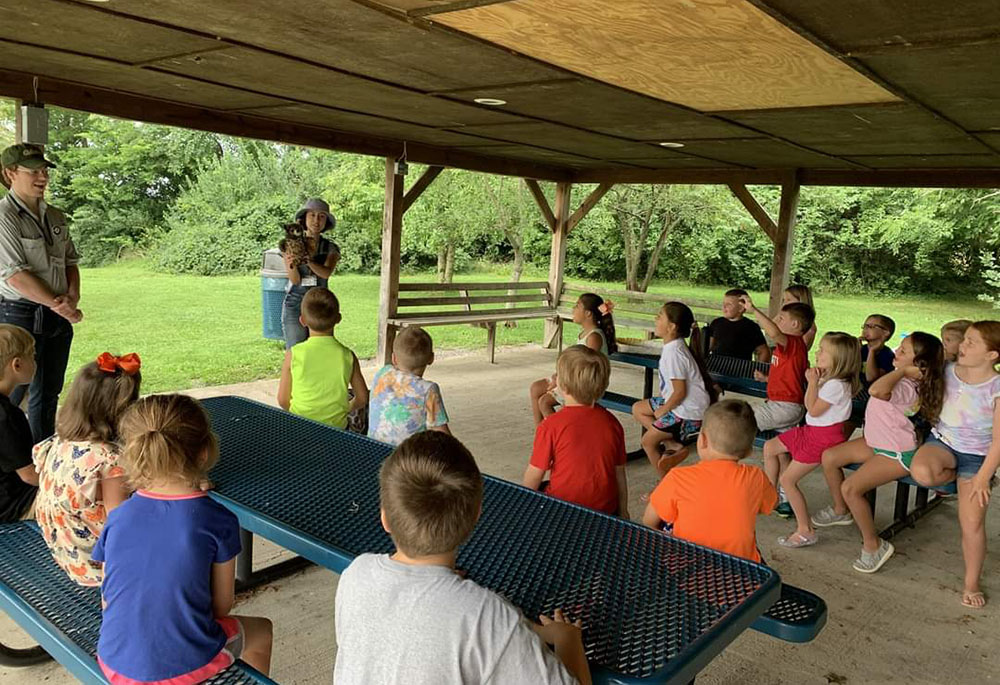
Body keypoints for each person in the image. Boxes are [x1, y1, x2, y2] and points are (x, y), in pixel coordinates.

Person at [334, 431, 590, 685]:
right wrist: (568, 639)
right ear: (475, 517)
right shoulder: (487, 616)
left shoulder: (356, 573)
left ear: (385, 519)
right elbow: (474, 624)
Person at [93, 394, 273, 681]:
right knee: (262, 630)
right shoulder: (218, 519)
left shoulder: (118, 517)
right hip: (184, 667)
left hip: (113, 660)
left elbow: (107, 598)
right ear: (204, 453)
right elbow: (220, 607)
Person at [816, 332, 944, 573]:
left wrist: (904, 372)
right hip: (876, 442)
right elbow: (875, 381)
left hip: (895, 452)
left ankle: (874, 545)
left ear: (919, 364)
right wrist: (901, 369)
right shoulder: (900, 380)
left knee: (851, 489)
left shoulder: (908, 385)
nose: (897, 351)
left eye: (904, 351)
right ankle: (840, 510)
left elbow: (876, 391)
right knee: (830, 457)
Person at [909, 320, 1000, 608]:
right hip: (944, 444)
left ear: (992, 355)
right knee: (921, 471)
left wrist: (984, 476)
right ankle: (953, 481)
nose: (963, 345)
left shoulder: (997, 387)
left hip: (978, 457)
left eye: (972, 342)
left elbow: (998, 441)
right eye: (965, 339)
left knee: (972, 523)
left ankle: (971, 582)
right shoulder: (946, 370)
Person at [32, 353, 141, 586]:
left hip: (66, 551)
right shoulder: (109, 461)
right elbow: (121, 521)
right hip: (99, 567)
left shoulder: (61, 441)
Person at [0, 143, 83, 442]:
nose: (42, 176)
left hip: (56, 314)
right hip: (19, 313)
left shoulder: (56, 216)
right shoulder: (4, 216)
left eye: (45, 170)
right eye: (33, 171)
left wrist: (72, 297)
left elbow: (71, 261)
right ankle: (10, 465)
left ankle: (41, 456)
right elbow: (15, 275)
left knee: (48, 392)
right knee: (12, 391)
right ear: (10, 174)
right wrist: (62, 306)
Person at [643, 399, 776, 562]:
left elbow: (648, 523)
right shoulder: (756, 477)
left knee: (668, 524)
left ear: (703, 440)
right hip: (742, 575)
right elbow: (771, 504)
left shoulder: (677, 477)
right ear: (749, 451)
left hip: (689, 575)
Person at [764, 332, 861, 548]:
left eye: (823, 350)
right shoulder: (828, 377)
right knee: (771, 448)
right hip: (811, 431)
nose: (817, 352)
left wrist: (812, 382)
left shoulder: (837, 384)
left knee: (788, 481)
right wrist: (815, 382)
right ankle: (770, 496)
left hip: (823, 438)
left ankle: (805, 530)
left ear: (839, 358)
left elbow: (813, 408)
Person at [523, 346, 628, 516]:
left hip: (563, 509)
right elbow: (619, 474)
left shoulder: (550, 425)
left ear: (562, 386)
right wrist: (623, 511)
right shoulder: (613, 424)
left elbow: (535, 474)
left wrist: (520, 507)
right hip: (605, 510)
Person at [631, 302, 715, 477]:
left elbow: (679, 392)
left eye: (660, 316)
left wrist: (663, 409)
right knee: (638, 408)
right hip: (681, 403)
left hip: (688, 411)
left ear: (672, 327)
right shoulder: (674, 346)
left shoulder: (674, 353)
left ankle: (665, 484)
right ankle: (671, 444)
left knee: (647, 442)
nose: (656, 319)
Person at [277, 288, 368, 430]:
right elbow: (362, 398)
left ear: (302, 320)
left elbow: (283, 400)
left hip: (299, 426)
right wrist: (347, 408)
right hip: (336, 429)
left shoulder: (293, 354)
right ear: (338, 319)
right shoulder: (347, 355)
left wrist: (299, 415)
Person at [529, 293, 616, 426]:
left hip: (586, 384)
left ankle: (561, 432)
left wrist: (560, 380)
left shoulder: (594, 337)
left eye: (577, 306)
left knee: (544, 402)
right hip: (574, 377)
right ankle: (541, 434)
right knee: (536, 388)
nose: (573, 309)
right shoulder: (584, 334)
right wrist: (558, 376)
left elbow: (587, 368)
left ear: (588, 313)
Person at [741, 295, 813, 441]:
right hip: (784, 405)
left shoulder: (792, 344)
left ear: (795, 324)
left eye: (781, 318)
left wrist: (753, 309)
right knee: (778, 447)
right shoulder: (792, 347)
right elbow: (791, 376)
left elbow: (774, 332)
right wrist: (767, 378)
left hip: (785, 407)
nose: (776, 321)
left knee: (740, 420)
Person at [368, 326, 450, 446]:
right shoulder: (428, 390)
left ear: (394, 358)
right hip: (404, 460)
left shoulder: (383, 373)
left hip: (371, 450)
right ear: (431, 358)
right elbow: (443, 435)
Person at [280, 198, 341, 349]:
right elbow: (295, 280)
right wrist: (291, 261)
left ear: (326, 221)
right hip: (295, 303)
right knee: (295, 353)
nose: (316, 220)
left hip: (320, 305)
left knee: (320, 350)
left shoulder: (331, 248)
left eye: (321, 216)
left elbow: (325, 273)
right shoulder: (292, 244)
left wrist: (307, 260)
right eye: (312, 215)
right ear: (304, 219)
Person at [0, 323, 38, 522]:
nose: (35, 360)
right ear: (17, 365)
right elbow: (29, 476)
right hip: (12, 504)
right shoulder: (7, 416)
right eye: (32, 355)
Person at [707, 288, 769, 363]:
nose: (724, 307)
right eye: (723, 304)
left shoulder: (751, 327)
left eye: (729, 304)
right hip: (716, 365)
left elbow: (763, 351)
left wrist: (758, 369)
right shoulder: (716, 323)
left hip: (740, 369)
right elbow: (709, 346)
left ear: (741, 308)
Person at [860, 314, 896, 388]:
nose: (865, 329)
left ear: (885, 333)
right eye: (865, 326)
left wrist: (872, 351)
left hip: (871, 393)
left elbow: (871, 378)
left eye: (871, 327)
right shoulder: (861, 349)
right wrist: (854, 351)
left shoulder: (887, 355)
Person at [783, 285, 817, 350]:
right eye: (784, 300)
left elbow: (800, 350)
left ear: (801, 301)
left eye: (788, 300)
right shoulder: (788, 320)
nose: (784, 304)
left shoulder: (809, 329)